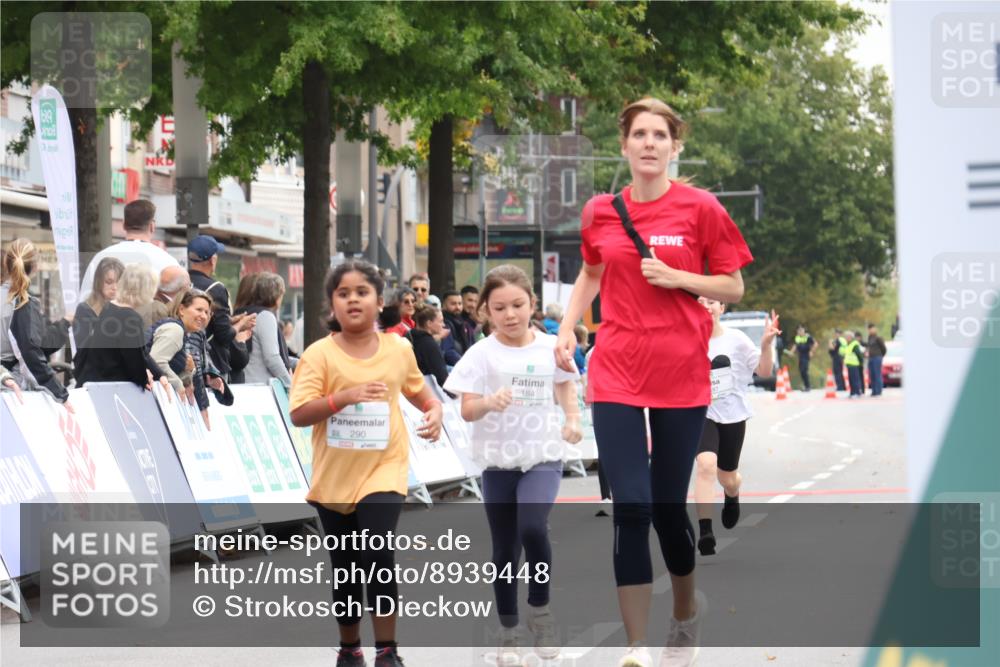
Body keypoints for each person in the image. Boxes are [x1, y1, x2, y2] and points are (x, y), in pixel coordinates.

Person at [554, 97, 753, 667]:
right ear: (624, 146)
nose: (648, 143)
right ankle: (637, 648)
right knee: (631, 507)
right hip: (615, 367)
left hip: (680, 371)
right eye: (638, 134)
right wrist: (568, 328)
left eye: (658, 135)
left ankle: (686, 613)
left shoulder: (701, 208)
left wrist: (677, 276)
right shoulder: (600, 211)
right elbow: (591, 272)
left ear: (674, 146)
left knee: (668, 510)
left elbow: (733, 288)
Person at [289, 259, 442, 667]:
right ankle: (349, 648)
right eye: (343, 293)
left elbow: (418, 390)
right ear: (332, 305)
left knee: (376, 552)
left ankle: (387, 651)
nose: (353, 299)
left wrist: (434, 410)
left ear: (379, 301)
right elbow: (300, 413)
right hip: (334, 476)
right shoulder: (318, 355)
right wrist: (345, 396)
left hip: (384, 469)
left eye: (362, 292)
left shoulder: (398, 349)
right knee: (346, 568)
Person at [444, 264, 582, 665]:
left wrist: (572, 420)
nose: (510, 315)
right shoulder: (480, 353)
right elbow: (467, 409)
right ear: (486, 310)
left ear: (532, 304)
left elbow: (565, 388)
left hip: (542, 454)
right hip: (498, 460)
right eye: (500, 307)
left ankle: (540, 610)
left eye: (518, 305)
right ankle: (508, 633)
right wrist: (489, 402)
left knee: (533, 526)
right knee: (505, 550)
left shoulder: (550, 347)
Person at [693, 300, 779, 556]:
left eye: (712, 302)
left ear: (722, 308)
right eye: (700, 301)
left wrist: (766, 344)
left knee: (727, 477)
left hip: (732, 415)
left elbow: (764, 371)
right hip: (701, 413)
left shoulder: (737, 339)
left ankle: (733, 492)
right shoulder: (687, 339)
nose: (706, 306)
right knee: (705, 465)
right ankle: (705, 532)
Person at [1, 239, 72, 407]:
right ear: (35, 267)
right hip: (13, 392)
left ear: (7, 263)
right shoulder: (23, 302)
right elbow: (31, 350)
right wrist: (60, 393)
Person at [76, 264, 168, 391]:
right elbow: (135, 364)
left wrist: (159, 374)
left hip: (97, 384)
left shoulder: (110, 307)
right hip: (111, 390)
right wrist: (146, 376)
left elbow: (140, 353)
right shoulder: (129, 317)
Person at [78, 199, 180, 301]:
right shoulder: (167, 261)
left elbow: (85, 299)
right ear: (152, 226)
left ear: (123, 224)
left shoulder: (101, 257)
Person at [187, 234, 255, 382]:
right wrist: (241, 324)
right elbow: (224, 335)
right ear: (212, 260)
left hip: (184, 358)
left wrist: (230, 320)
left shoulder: (181, 282)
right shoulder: (215, 289)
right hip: (211, 364)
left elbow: (207, 323)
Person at [72, 256, 124, 382]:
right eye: (109, 282)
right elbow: (85, 350)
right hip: (93, 380)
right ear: (99, 282)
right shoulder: (85, 310)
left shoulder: (125, 310)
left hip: (119, 380)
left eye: (119, 282)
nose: (115, 287)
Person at [147, 287, 204, 397]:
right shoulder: (175, 329)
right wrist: (178, 386)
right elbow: (156, 361)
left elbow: (169, 371)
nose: (204, 316)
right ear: (181, 309)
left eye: (207, 312)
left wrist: (190, 371)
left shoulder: (181, 332)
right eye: (199, 310)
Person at [240, 272, 294, 387]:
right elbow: (272, 357)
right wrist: (290, 384)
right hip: (262, 387)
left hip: (244, 383)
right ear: (276, 295)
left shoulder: (244, 313)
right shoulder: (265, 316)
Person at [407, 304, 450, 390]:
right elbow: (442, 377)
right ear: (429, 323)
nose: (443, 325)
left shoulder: (408, 335)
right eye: (440, 321)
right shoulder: (429, 344)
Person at [137, 265, 191, 329]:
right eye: (189, 284)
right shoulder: (159, 310)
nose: (190, 288)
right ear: (183, 287)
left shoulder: (144, 299)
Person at [442, 289, 471, 358]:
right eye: (453, 304)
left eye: (460, 303)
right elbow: (448, 351)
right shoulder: (444, 323)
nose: (457, 307)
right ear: (444, 305)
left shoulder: (463, 323)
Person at [792, 325, 817, 391]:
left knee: (804, 370)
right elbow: (795, 345)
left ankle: (808, 386)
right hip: (800, 355)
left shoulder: (808, 337)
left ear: (803, 331)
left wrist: (811, 351)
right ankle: (806, 385)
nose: (800, 332)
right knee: (801, 371)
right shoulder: (797, 338)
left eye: (801, 330)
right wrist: (792, 352)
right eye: (798, 331)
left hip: (806, 355)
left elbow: (815, 344)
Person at [867, 324, 887, 397]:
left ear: (875, 329)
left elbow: (884, 348)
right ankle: (874, 391)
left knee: (877, 374)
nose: (871, 330)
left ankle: (878, 391)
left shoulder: (878, 338)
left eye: (872, 329)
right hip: (871, 358)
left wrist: (880, 356)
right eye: (869, 329)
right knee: (872, 375)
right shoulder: (869, 338)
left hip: (877, 357)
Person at [843, 330, 863, 398]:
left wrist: (861, 363)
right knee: (851, 380)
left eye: (846, 337)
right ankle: (852, 392)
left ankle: (857, 393)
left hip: (854, 365)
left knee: (855, 380)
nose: (845, 338)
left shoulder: (854, 344)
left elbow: (859, 354)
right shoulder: (848, 344)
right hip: (849, 365)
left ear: (850, 337)